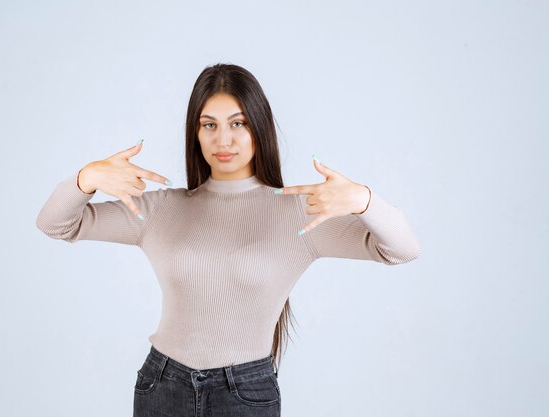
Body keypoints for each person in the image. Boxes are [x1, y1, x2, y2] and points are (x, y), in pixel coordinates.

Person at [36, 63, 420, 416]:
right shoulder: (160, 209)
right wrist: (85, 178)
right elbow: (57, 224)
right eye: (209, 125)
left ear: (258, 127)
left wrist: (364, 200)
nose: (224, 139)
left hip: (245, 393)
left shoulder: (301, 212)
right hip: (162, 386)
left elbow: (401, 250)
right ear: (196, 133)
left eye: (238, 123)